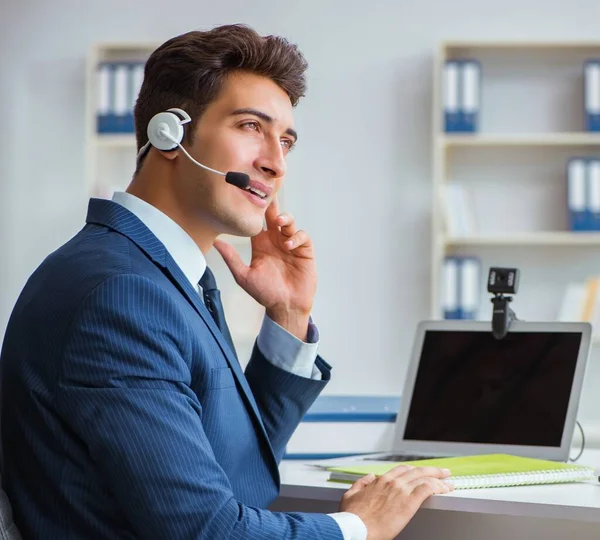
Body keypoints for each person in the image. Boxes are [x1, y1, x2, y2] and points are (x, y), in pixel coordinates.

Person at [0, 24, 452, 539]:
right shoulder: (120, 293)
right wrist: (358, 527)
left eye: (285, 140)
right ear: (168, 134)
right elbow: (207, 531)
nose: (275, 163)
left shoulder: (161, 275)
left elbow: (231, 471)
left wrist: (287, 315)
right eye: (250, 127)